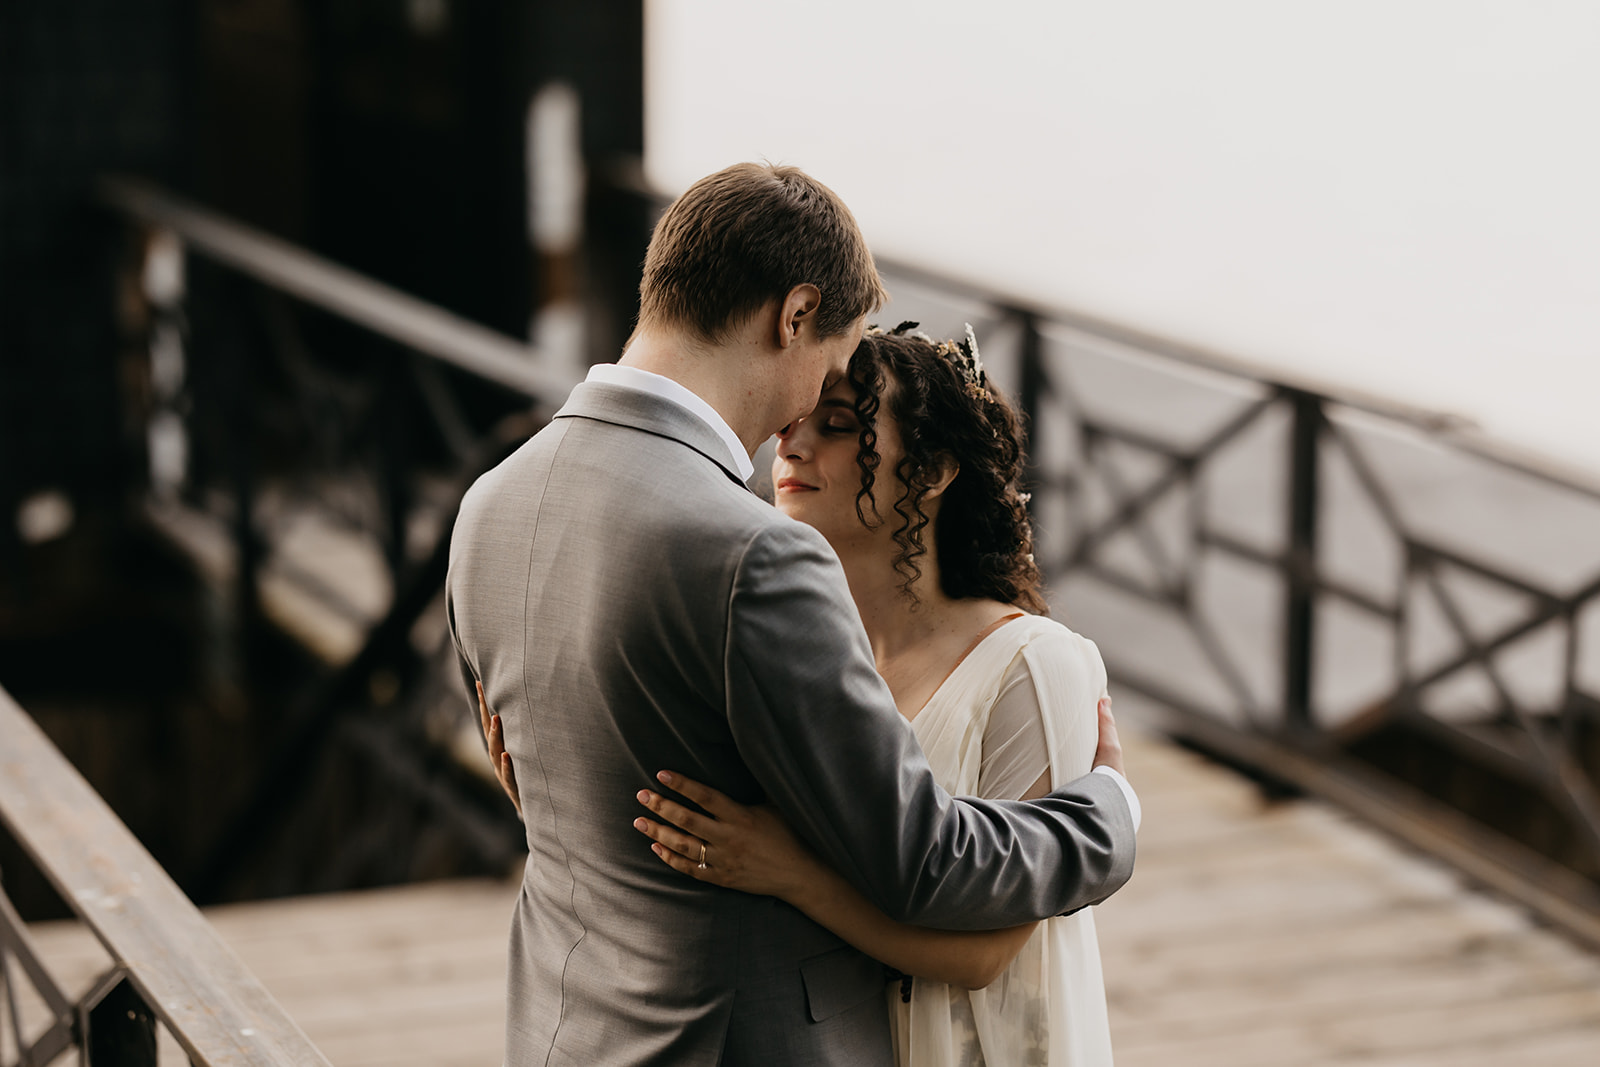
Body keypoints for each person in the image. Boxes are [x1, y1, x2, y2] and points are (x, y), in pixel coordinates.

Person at [447, 162, 1137, 1067]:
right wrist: (1108, 813)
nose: (805, 414)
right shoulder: (752, 553)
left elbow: (545, 790)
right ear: (796, 315)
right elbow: (923, 861)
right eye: (837, 364)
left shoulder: (489, 506)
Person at [629, 323, 1118, 1065]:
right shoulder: (803, 655)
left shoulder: (1033, 663)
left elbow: (986, 952)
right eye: (792, 424)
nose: (791, 448)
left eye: (839, 427)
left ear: (935, 468)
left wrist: (789, 872)